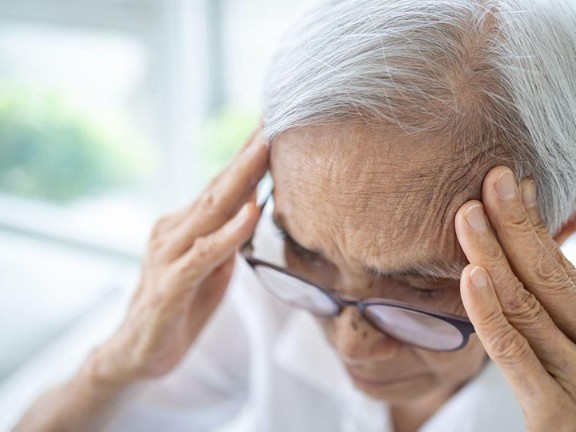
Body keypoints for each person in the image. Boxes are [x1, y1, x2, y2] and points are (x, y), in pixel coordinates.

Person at [14, 0, 576, 431]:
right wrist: (114, 367)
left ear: (556, 233)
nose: (352, 345)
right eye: (305, 250)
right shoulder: (258, 282)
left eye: (417, 286)